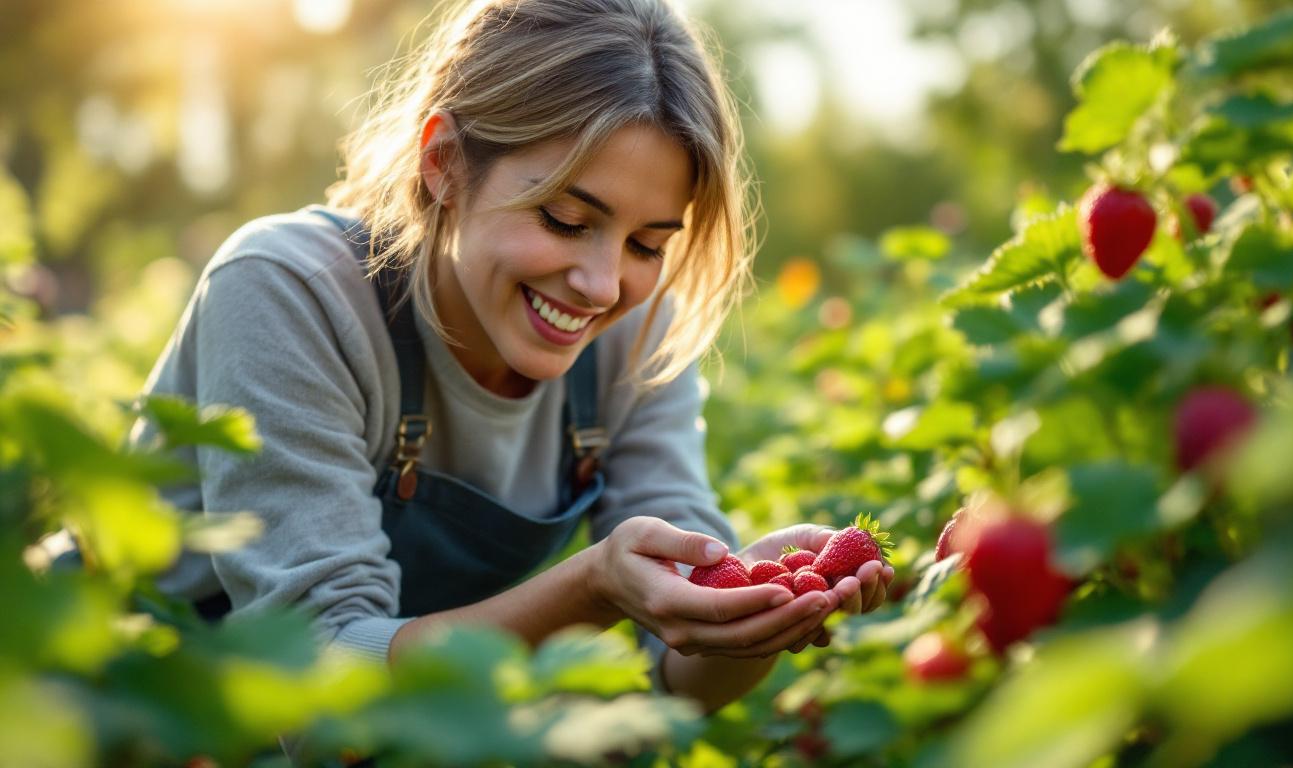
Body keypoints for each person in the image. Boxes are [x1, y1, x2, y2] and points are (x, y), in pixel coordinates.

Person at [130, 0, 894, 715]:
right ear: (445, 165)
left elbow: (678, 678)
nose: (601, 285)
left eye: (647, 244)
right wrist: (594, 587)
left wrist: (751, 610)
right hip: (124, 709)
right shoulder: (291, 293)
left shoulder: (632, 331)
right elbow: (320, 680)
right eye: (565, 219)